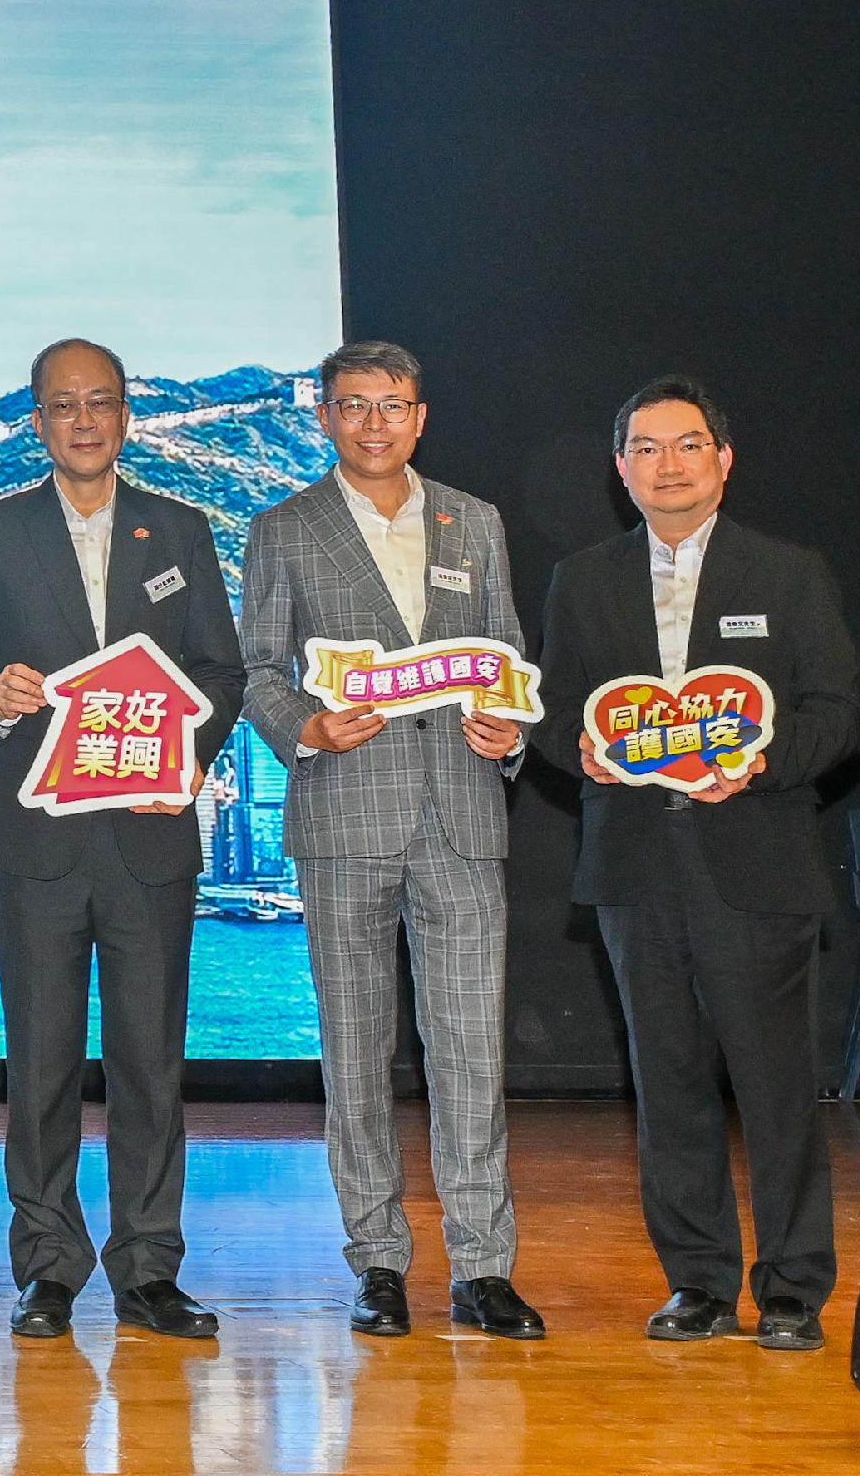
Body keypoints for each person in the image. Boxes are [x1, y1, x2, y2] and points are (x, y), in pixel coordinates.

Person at [530, 375, 860, 1351]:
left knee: (775, 1087)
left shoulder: (788, 572)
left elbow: (837, 714)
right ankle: (698, 1282)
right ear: (618, 467)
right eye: (644, 448)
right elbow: (554, 710)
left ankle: (792, 1288)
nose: (665, 464)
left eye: (685, 445)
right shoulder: (581, 578)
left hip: (754, 857)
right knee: (666, 1082)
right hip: (635, 862)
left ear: (723, 459)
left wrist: (761, 763)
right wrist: (577, 748)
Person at [234, 342, 544, 1341]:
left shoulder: (474, 520)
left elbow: (505, 654)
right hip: (343, 814)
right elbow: (256, 671)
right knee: (356, 1054)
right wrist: (306, 728)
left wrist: (509, 731)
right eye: (354, 405)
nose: (375, 423)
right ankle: (376, 1259)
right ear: (324, 416)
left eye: (393, 405)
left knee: (472, 1053)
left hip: (462, 815)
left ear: (420, 416)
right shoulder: (283, 527)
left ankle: (484, 1267)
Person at [0, 338, 244, 1341]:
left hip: (149, 838)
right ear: (37, 422)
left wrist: (186, 755)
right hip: (34, 840)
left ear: (126, 416)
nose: (83, 420)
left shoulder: (180, 528)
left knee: (151, 1063)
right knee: (40, 1064)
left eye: (100, 402)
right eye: (63, 405)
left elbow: (221, 670)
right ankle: (48, 1265)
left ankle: (149, 1267)